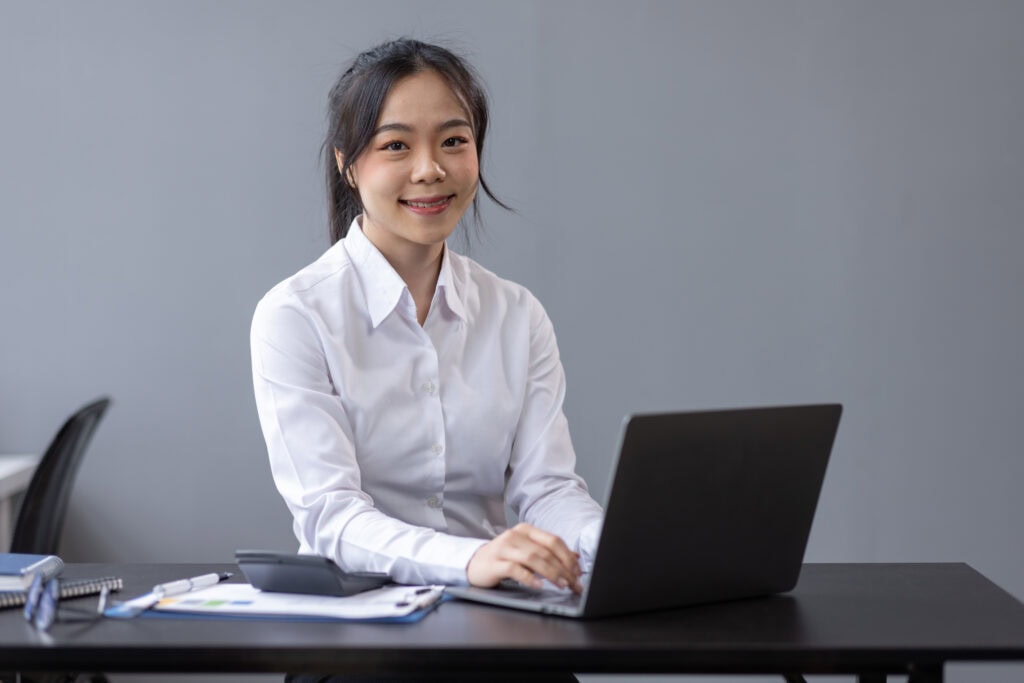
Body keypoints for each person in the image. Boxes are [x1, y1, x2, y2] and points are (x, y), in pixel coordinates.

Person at [251, 37, 602, 619]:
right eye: (395, 145)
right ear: (348, 163)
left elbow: (548, 490)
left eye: (454, 141)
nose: (430, 169)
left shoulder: (517, 314)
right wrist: (470, 559)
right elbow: (331, 516)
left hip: (495, 618)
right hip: (357, 630)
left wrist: (606, 546)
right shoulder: (295, 315)